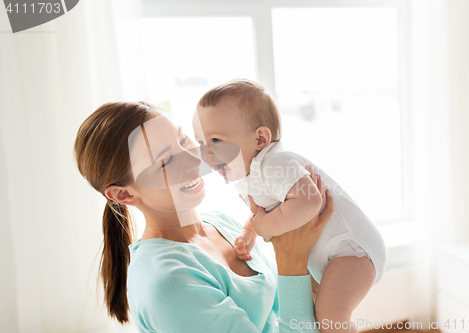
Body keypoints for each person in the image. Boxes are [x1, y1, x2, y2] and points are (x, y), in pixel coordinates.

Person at [73, 101, 334, 333]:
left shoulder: (219, 223)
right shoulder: (169, 285)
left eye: (184, 139)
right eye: (166, 161)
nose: (194, 159)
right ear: (123, 194)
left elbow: (282, 310)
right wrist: (291, 258)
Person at [193, 79, 387, 333]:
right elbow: (268, 210)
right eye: (200, 143)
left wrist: (264, 225)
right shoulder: (251, 176)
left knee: (331, 316)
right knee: (313, 311)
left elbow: (309, 201)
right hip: (330, 255)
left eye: (216, 140)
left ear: (261, 138)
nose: (206, 153)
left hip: (353, 251)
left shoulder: (277, 164)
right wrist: (250, 231)